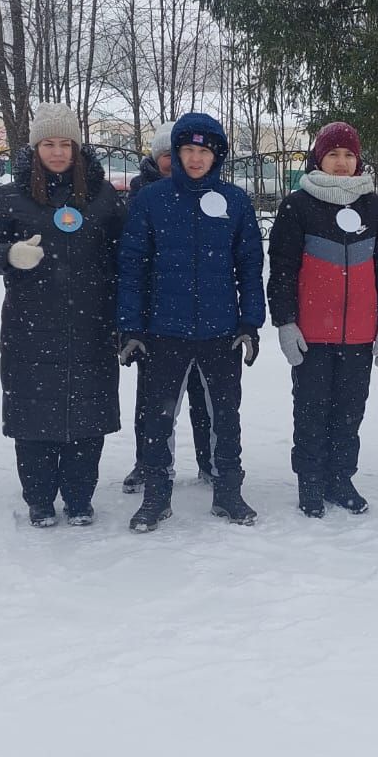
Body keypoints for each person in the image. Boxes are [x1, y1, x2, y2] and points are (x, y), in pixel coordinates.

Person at [0, 102, 125, 527]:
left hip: (91, 326)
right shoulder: (11, 197)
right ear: (35, 148)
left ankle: (79, 497)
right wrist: (10, 255)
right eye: (48, 144)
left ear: (77, 148)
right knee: (33, 418)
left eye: (65, 144)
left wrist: (123, 317)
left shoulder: (102, 196)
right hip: (30, 328)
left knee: (87, 417)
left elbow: (123, 258)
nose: (57, 152)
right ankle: (39, 498)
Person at [117, 112, 265, 531]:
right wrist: (130, 326)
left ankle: (229, 492)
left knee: (225, 416)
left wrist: (249, 323)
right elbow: (132, 266)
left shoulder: (235, 201)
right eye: (188, 150)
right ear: (176, 153)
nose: (195, 158)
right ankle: (156, 496)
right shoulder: (151, 200)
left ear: (216, 155)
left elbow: (249, 266)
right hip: (165, 332)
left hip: (221, 332)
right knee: (159, 418)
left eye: (204, 150)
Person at [268, 121, 378, 518]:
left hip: (360, 334)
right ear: (318, 159)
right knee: (310, 409)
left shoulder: (375, 208)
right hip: (311, 333)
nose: (341, 163)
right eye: (333, 154)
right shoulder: (297, 205)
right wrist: (285, 321)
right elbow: (282, 268)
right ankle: (310, 482)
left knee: (349, 410)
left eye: (348, 155)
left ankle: (341, 478)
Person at [122, 122, 214, 494]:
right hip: (155, 318)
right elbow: (130, 260)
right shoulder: (140, 197)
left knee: (204, 399)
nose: (173, 162)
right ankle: (148, 462)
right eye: (166, 155)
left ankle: (209, 461)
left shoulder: (207, 194)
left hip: (204, 317)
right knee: (153, 402)